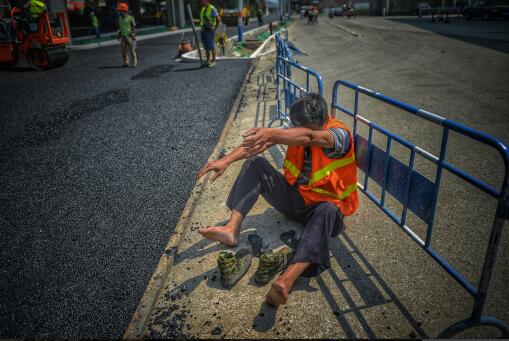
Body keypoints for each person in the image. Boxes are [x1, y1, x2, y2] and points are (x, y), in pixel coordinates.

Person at [196, 93, 358, 306]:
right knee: (255, 163)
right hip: (295, 200)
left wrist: (272, 133)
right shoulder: (295, 131)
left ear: (320, 121)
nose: (293, 129)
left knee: (327, 211)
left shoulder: (339, 135)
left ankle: (285, 282)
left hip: (323, 211)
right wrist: (225, 160)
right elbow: (257, 145)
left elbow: (309, 136)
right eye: (293, 125)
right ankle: (231, 229)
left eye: (298, 126)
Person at [197, 0, 220, 67]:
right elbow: (202, 20)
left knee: (211, 46)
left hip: (209, 30)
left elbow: (218, 19)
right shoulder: (203, 9)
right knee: (206, 46)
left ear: (207, 1)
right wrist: (195, 20)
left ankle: (213, 61)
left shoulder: (212, 8)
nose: (201, 2)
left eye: (203, 1)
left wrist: (215, 28)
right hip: (203, 30)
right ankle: (208, 60)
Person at [117, 2, 137, 68]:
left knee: (132, 50)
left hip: (129, 36)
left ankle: (134, 63)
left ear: (125, 11)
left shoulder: (130, 18)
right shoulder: (119, 18)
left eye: (121, 10)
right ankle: (126, 63)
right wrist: (119, 35)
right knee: (123, 51)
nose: (120, 12)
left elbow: (134, 27)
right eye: (119, 10)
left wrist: (134, 36)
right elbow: (120, 28)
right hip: (123, 37)